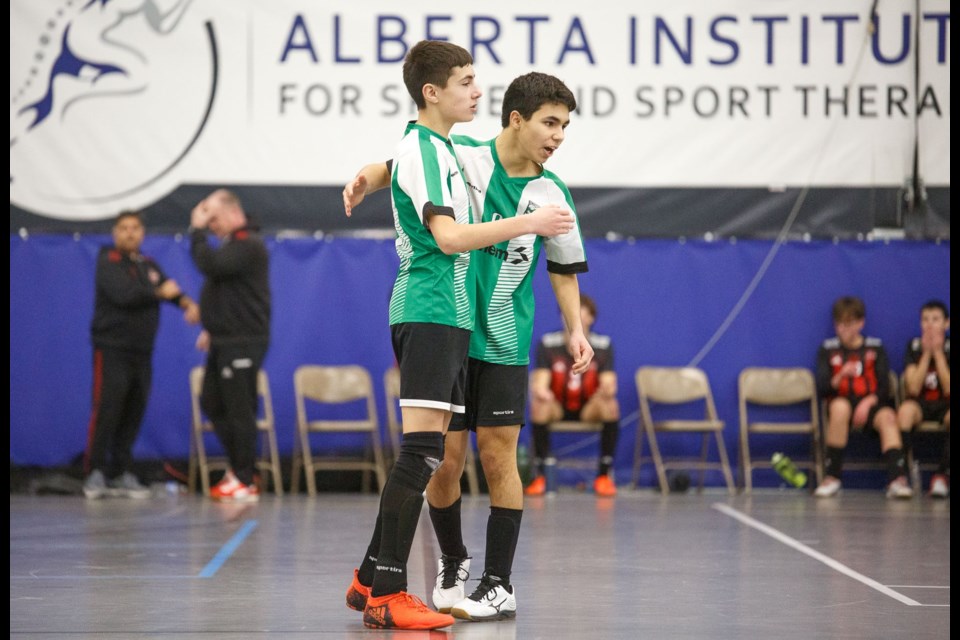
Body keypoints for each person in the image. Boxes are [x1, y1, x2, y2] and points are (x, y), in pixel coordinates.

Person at [342, 42, 576, 631]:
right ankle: (419, 576)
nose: (558, 136)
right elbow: (424, 201)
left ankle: (457, 581)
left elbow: (564, 267)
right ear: (517, 120)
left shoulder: (538, 187)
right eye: (550, 122)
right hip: (437, 313)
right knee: (431, 457)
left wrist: (574, 329)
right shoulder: (451, 151)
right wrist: (371, 176)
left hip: (487, 332)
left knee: (481, 454)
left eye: (566, 126)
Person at [84, 210, 199, 499]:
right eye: (124, 228)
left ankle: (119, 472)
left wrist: (186, 303)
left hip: (142, 351)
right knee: (108, 408)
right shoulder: (107, 260)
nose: (130, 233)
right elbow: (124, 294)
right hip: (112, 348)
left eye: (135, 228)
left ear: (143, 233)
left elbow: (168, 289)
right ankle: (94, 472)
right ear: (115, 233)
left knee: (133, 410)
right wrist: (158, 292)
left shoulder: (148, 264)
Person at [189, 189, 271, 504]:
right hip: (225, 338)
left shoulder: (247, 243)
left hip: (243, 341)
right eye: (206, 223)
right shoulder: (231, 244)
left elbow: (210, 265)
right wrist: (212, 325)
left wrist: (195, 230)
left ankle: (245, 478)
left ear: (233, 213)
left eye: (213, 219)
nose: (210, 227)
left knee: (240, 409)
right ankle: (241, 469)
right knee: (211, 400)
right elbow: (227, 291)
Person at [814, 296, 912, 499]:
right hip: (840, 402)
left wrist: (868, 402)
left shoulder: (875, 347)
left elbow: (885, 385)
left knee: (888, 417)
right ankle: (832, 477)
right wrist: (840, 374)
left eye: (849, 324)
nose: (843, 329)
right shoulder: (827, 348)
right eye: (839, 324)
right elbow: (822, 387)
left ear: (861, 323)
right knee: (839, 408)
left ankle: (897, 479)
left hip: (871, 403)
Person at [526, 293, 620, 498]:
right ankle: (541, 475)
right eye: (567, 312)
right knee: (538, 406)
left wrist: (606, 391)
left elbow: (609, 383)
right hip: (557, 406)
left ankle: (603, 476)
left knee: (610, 405)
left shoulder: (602, 345)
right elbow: (540, 381)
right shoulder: (548, 344)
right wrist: (541, 391)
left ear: (590, 318)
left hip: (589, 407)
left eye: (579, 313)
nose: (571, 316)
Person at [897, 300, 950, 498]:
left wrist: (939, 354)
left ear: (946, 324)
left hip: (945, 404)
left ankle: (941, 476)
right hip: (920, 402)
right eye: (925, 320)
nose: (929, 324)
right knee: (904, 412)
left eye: (935, 319)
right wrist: (927, 354)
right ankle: (901, 475)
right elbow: (912, 387)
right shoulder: (914, 347)